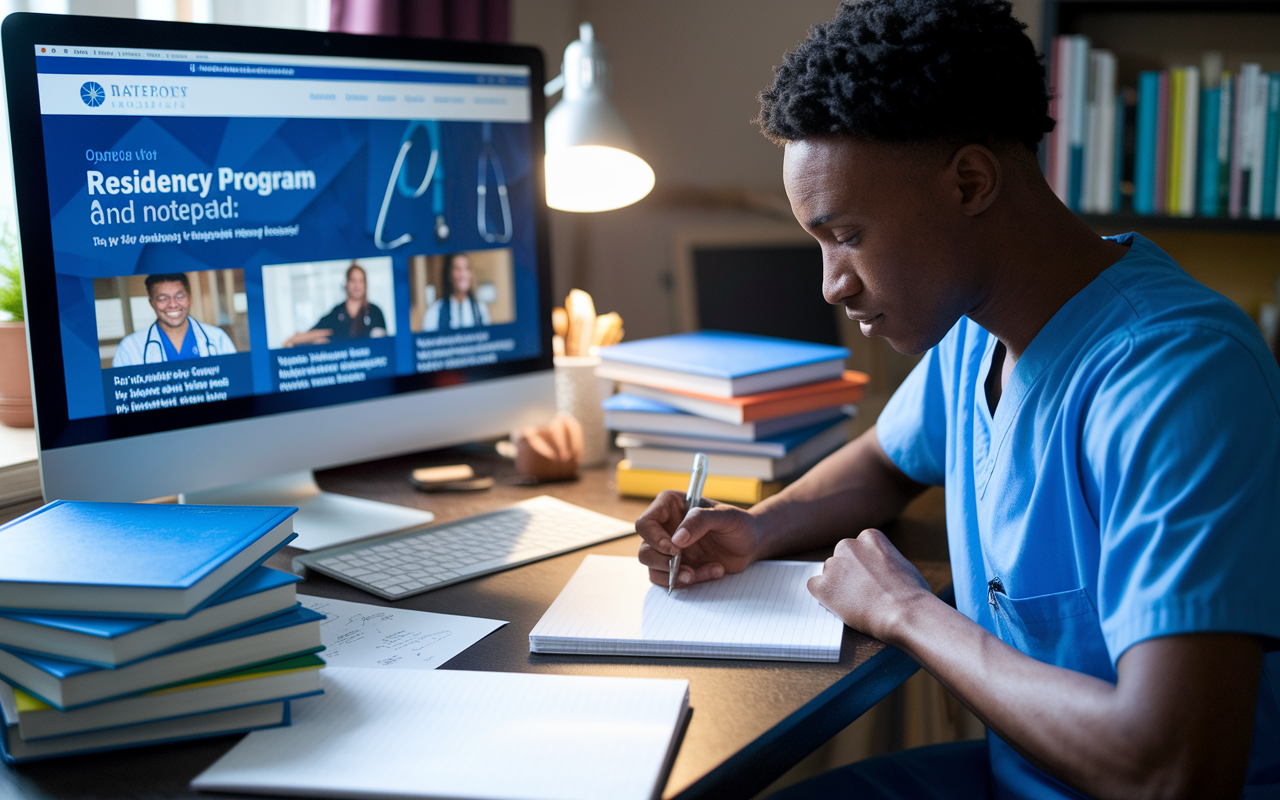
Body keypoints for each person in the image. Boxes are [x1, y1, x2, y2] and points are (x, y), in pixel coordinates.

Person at [635, 2, 1280, 798]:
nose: (832, 285)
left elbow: (1172, 769)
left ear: (970, 182)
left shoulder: (1178, 379)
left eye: (849, 236)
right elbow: (883, 460)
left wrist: (908, 611)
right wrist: (759, 527)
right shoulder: (971, 334)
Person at [112, 273, 236, 366]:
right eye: (162, 298)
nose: (172, 304)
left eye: (179, 296)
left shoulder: (218, 339)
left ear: (189, 299)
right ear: (152, 302)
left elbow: (237, 385)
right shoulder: (130, 349)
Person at [283, 262, 386, 347]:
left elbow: (384, 345)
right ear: (346, 284)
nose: (357, 285)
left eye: (361, 281)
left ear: (365, 284)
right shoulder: (337, 312)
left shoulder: (375, 312)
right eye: (353, 280)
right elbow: (312, 333)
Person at [422, 253, 491, 332]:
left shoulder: (480, 310)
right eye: (457, 269)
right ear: (449, 274)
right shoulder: (434, 312)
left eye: (466, 268)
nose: (463, 274)